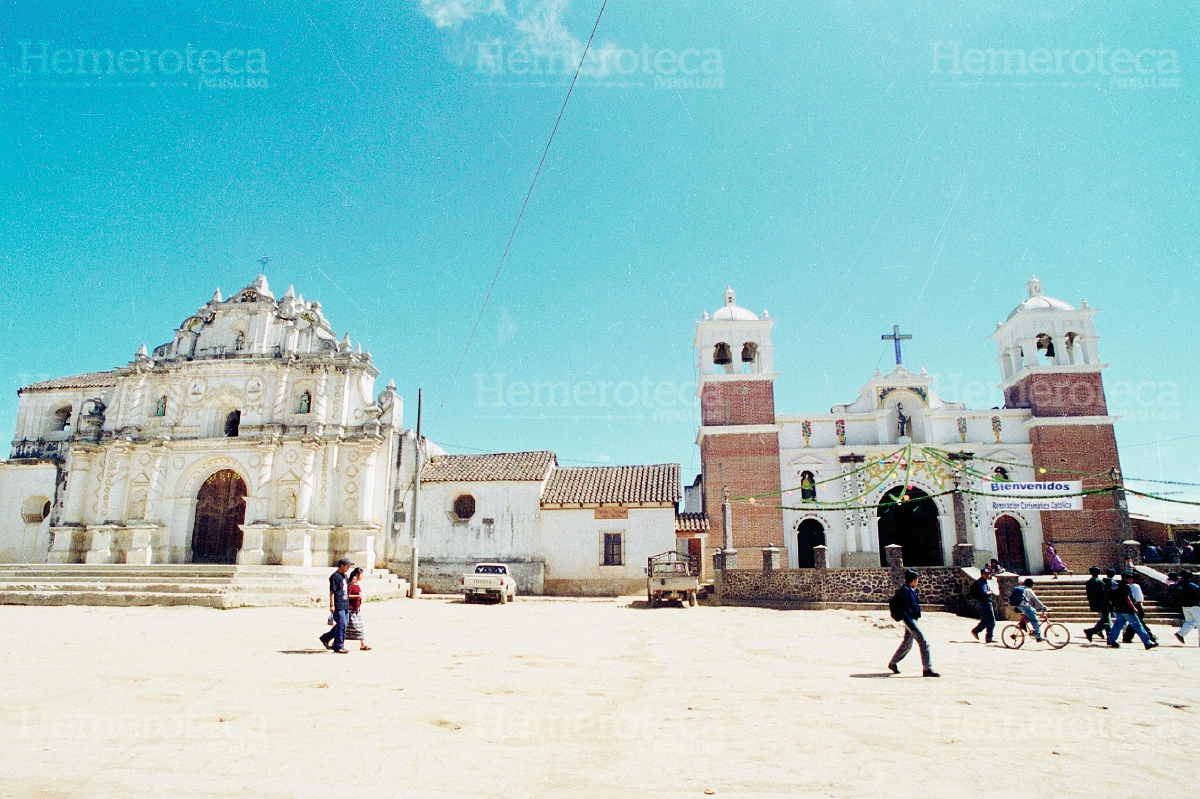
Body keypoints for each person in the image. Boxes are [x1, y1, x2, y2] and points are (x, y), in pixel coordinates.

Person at [888, 569, 939, 677]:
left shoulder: (911, 590)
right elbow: (903, 610)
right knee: (924, 642)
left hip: (912, 619)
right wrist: (910, 623)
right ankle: (927, 668)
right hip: (909, 620)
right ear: (914, 579)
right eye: (917, 579)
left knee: (907, 644)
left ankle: (893, 663)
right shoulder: (905, 591)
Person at [1107, 572, 1158, 649]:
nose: (1131, 580)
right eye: (1130, 579)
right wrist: (1134, 607)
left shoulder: (1117, 586)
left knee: (1117, 626)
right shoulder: (1126, 587)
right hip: (1128, 610)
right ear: (1125, 579)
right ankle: (1147, 642)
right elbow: (1127, 598)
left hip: (1120, 609)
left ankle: (1111, 639)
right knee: (1138, 626)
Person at [319, 557, 354, 654]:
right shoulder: (335, 576)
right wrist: (332, 604)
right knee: (342, 624)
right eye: (347, 566)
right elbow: (332, 592)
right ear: (342, 565)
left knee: (344, 624)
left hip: (345, 604)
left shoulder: (345, 576)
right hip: (338, 604)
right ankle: (338, 645)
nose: (348, 568)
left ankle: (326, 637)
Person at [1120, 575, 1158, 644]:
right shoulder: (1135, 587)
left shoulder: (1124, 586)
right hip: (1137, 605)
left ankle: (1151, 637)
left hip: (1127, 606)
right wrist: (1141, 608)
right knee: (1137, 623)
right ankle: (1149, 638)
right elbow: (1138, 599)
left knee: (1139, 623)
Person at [345, 567, 372, 651]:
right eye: (361, 574)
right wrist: (357, 596)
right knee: (347, 628)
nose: (362, 576)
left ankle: (362, 644)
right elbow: (347, 596)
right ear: (357, 575)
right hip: (350, 609)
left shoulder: (356, 584)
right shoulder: (351, 584)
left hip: (356, 609)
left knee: (358, 627)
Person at [1083, 566, 1113, 643]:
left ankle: (1110, 636)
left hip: (1095, 604)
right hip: (1103, 604)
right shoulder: (1099, 582)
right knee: (1107, 622)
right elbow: (1104, 594)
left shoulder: (1088, 582)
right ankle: (1091, 631)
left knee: (1105, 620)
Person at [1171, 570, 1200, 645]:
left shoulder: (1178, 586)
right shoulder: (1193, 586)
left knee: (1190, 622)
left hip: (1185, 606)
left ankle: (1180, 634)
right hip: (1195, 606)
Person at [969, 567, 996, 643]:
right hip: (985, 603)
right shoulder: (982, 582)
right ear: (982, 574)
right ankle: (989, 637)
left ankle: (975, 631)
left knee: (985, 620)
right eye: (986, 574)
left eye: (988, 574)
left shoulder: (982, 581)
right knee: (991, 620)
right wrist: (991, 592)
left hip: (982, 602)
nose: (988, 575)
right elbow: (984, 593)